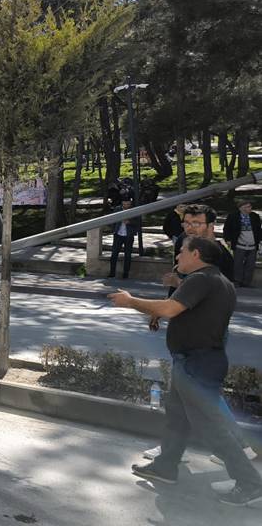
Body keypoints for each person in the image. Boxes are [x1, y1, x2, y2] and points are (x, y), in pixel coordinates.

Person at [110, 236, 262, 507]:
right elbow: (182, 310)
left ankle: (250, 483)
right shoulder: (216, 281)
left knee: (211, 429)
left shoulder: (202, 279)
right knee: (177, 418)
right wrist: (160, 309)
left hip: (197, 365)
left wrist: (131, 301)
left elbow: (170, 309)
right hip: (195, 362)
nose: (177, 256)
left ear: (196, 254)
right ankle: (166, 467)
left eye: (181, 251)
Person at [222, 200, 262, 287]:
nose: (250, 208)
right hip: (239, 244)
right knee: (238, 264)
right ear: (241, 208)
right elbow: (227, 229)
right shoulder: (233, 216)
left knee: (250, 265)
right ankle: (237, 281)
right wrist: (228, 239)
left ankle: (246, 282)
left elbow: (259, 230)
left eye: (250, 206)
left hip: (252, 245)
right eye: (247, 206)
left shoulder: (255, 216)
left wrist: (259, 241)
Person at [109, 198, 142, 279]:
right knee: (114, 254)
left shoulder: (134, 210)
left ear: (130, 203)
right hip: (118, 235)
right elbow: (112, 219)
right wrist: (113, 230)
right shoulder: (117, 209)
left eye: (128, 204)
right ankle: (112, 273)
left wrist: (129, 222)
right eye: (124, 204)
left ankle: (125, 274)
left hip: (128, 235)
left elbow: (138, 222)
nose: (126, 206)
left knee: (127, 255)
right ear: (122, 203)